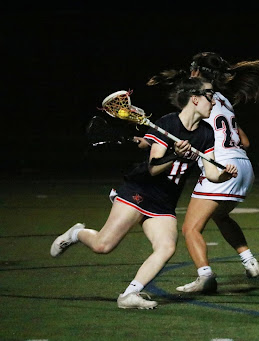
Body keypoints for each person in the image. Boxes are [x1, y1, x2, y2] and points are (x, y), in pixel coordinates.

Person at [50, 73, 238, 309]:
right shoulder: (167, 124)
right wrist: (175, 154)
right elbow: (153, 168)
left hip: (164, 201)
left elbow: (211, 173)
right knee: (102, 246)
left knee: (167, 247)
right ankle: (76, 234)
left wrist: (224, 174)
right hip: (140, 191)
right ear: (195, 99)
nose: (214, 101)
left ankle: (129, 295)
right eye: (210, 95)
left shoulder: (206, 133)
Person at [160, 52, 259, 293]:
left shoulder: (195, 98)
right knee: (221, 216)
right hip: (244, 167)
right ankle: (249, 261)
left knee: (190, 228)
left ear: (197, 72)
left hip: (222, 167)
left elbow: (184, 129)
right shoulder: (222, 99)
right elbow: (245, 141)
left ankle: (205, 276)